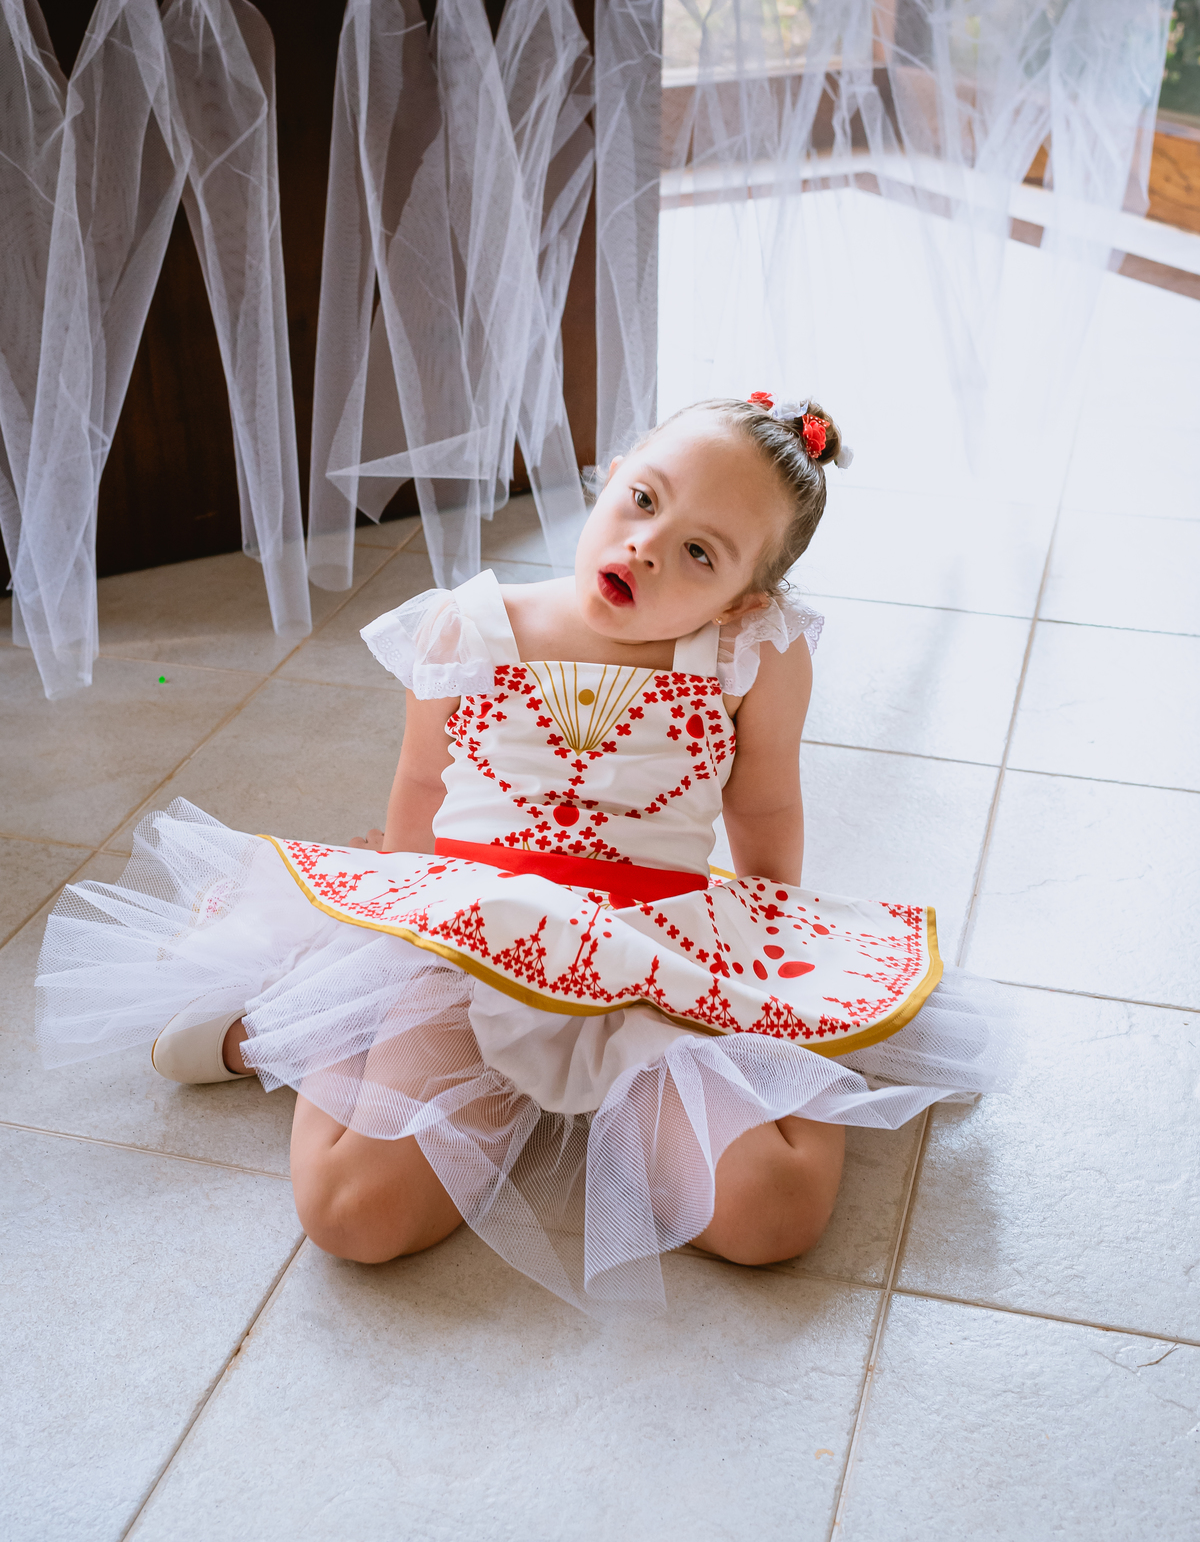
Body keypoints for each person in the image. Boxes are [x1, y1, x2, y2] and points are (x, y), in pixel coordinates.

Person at [36, 396, 1011, 1312]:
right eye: (643, 500)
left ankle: (662, 1097)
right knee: (351, 1212)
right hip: (472, 935)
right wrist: (385, 924)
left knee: (774, 1211)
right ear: (615, 470)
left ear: (743, 604)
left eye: (700, 552)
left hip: (651, 951)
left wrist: (770, 989)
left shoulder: (755, 660)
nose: (647, 546)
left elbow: (765, 811)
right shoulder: (470, 625)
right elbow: (422, 787)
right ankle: (298, 1025)